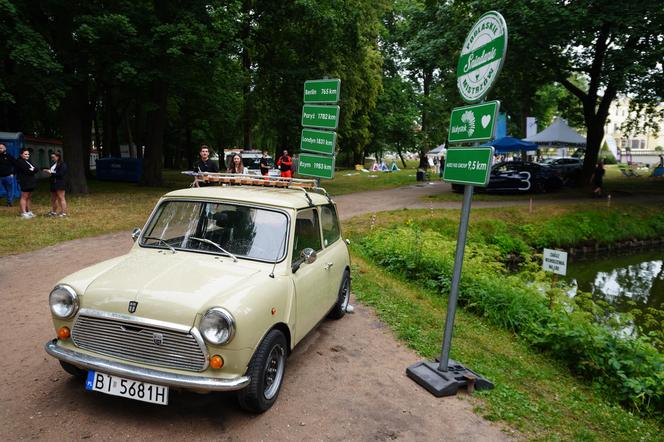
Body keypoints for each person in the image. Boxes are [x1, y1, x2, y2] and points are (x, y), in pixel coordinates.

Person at [14, 148, 40, 218]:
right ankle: (23, 213)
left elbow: (36, 169)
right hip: (25, 181)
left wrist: (33, 170)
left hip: (30, 181)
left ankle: (28, 211)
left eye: (28, 154)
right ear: (21, 154)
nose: (27, 155)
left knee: (28, 197)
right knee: (24, 197)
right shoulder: (19, 161)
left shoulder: (27, 161)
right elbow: (28, 171)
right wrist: (33, 170)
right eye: (25, 154)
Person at [43, 151, 68, 217]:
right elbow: (54, 172)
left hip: (60, 183)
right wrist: (49, 171)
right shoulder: (55, 164)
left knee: (61, 198)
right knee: (53, 198)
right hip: (53, 183)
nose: (52, 158)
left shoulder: (63, 164)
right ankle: (53, 212)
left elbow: (60, 174)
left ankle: (63, 213)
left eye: (53, 157)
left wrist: (50, 173)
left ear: (58, 157)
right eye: (51, 157)